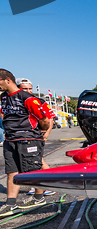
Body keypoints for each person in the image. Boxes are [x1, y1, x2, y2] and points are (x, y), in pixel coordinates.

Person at [0, 70, 54, 218]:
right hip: (10, 140)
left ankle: (39, 198)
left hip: (28, 139)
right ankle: (11, 204)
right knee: (12, 171)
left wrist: (43, 133)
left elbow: (45, 119)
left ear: (7, 80)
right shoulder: (3, 97)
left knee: (33, 169)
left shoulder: (28, 99)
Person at [16, 78, 56, 197]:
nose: (28, 91)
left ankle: (50, 185)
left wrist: (46, 135)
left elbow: (49, 119)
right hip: (21, 137)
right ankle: (38, 185)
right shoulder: (14, 100)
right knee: (29, 162)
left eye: (30, 88)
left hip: (35, 136)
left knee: (38, 161)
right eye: (25, 89)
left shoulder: (38, 101)